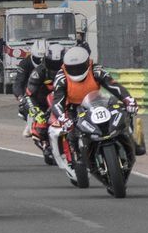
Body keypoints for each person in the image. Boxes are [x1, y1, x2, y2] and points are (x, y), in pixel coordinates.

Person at [47, 46, 138, 179]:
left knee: (122, 113)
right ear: (66, 66)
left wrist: (128, 100)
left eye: (79, 66)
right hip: (74, 108)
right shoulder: (61, 77)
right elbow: (57, 101)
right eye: (72, 67)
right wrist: (62, 118)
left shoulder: (96, 70)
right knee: (71, 132)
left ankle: (130, 138)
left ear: (87, 63)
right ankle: (77, 157)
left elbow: (114, 86)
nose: (76, 70)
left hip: (97, 102)